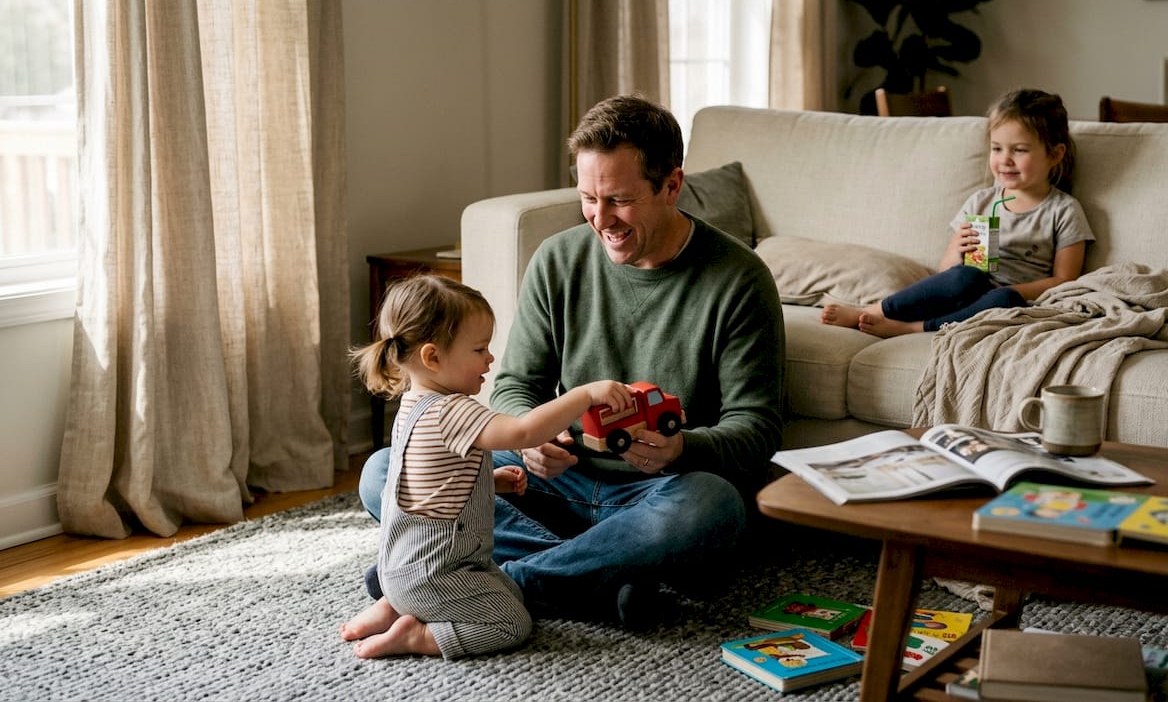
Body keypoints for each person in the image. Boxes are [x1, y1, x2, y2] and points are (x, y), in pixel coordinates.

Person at [358, 94, 786, 629]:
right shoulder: (557, 259)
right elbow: (516, 383)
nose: (600, 219)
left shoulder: (739, 279)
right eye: (588, 198)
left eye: (620, 200)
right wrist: (532, 440)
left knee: (712, 507)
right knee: (384, 470)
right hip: (549, 486)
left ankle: (502, 583)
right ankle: (596, 579)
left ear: (672, 185)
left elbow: (758, 427)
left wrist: (681, 447)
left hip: (656, 493)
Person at [340, 274, 631, 659]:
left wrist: (490, 481)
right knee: (511, 620)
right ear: (432, 357)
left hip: (400, 567)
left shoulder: (412, 404)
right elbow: (524, 431)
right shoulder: (453, 410)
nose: (490, 359)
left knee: (509, 590)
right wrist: (584, 395)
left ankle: (393, 605)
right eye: (479, 349)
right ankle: (416, 635)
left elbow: (430, 482)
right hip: (438, 575)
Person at [819, 88, 1093, 337]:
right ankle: (874, 310)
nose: (1004, 159)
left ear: (1055, 155)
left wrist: (1010, 290)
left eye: (1019, 150)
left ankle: (913, 329)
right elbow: (946, 273)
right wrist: (958, 248)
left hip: (1011, 301)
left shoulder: (1063, 210)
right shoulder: (981, 202)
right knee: (966, 276)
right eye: (997, 148)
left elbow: (1065, 280)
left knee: (1005, 301)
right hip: (968, 288)